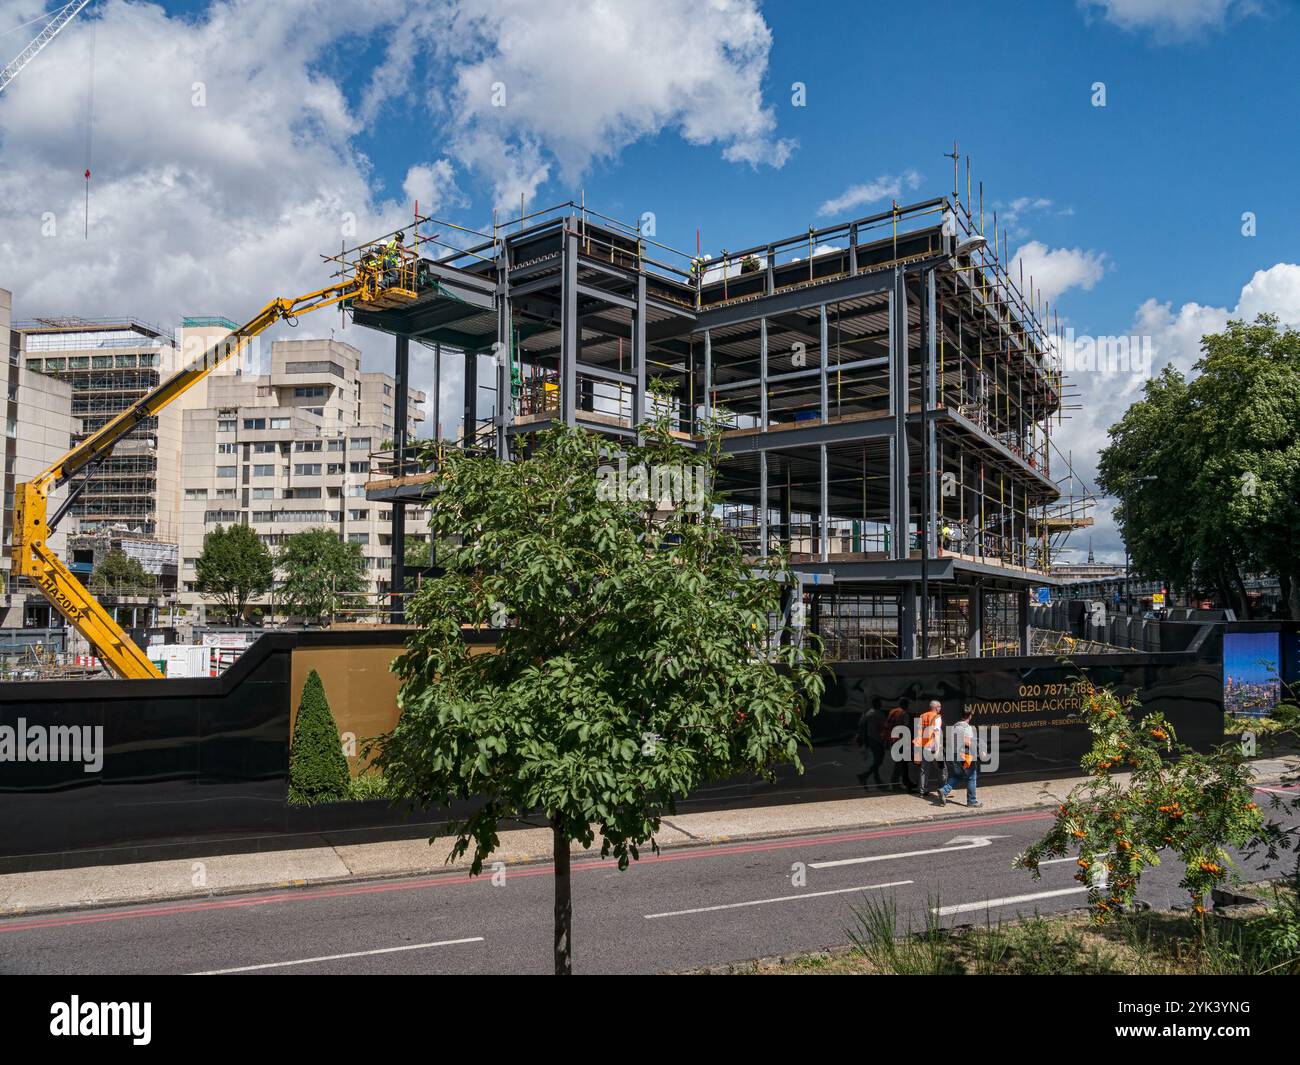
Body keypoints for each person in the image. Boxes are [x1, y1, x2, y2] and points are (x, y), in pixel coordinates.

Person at [939, 706, 981, 807]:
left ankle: (944, 791)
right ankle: (972, 801)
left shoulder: (954, 726)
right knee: (971, 776)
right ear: (970, 716)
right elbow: (967, 742)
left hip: (954, 754)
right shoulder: (967, 727)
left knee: (958, 775)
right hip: (964, 755)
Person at [913, 699, 944, 798]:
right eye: (939, 706)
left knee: (924, 770)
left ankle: (923, 791)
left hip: (925, 746)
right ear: (936, 708)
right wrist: (938, 749)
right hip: (933, 747)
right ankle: (942, 790)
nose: (940, 708)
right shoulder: (937, 717)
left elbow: (918, 731)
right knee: (942, 769)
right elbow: (937, 733)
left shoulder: (922, 716)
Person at [856, 697, 887, 789]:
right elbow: (884, 727)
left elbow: (861, 725)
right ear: (877, 704)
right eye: (880, 703)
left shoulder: (867, 713)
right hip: (877, 740)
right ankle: (864, 776)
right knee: (879, 761)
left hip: (869, 739)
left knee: (876, 760)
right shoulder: (879, 714)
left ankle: (878, 782)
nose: (881, 705)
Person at [883, 697, 912, 791]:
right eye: (907, 704)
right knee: (900, 763)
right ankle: (895, 783)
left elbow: (887, 725)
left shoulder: (893, 711)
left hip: (892, 739)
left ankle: (896, 782)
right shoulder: (904, 713)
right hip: (900, 740)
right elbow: (906, 728)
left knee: (898, 763)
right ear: (905, 704)